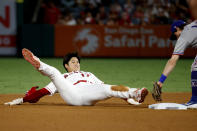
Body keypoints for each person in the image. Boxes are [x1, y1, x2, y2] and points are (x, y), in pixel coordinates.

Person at [5, 49, 148, 106]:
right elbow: (42, 93)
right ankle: (38, 62)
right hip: (73, 94)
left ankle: (136, 93)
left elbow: (109, 90)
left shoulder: (90, 74)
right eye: (73, 62)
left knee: (109, 87)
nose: (76, 63)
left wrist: (129, 100)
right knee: (54, 72)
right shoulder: (64, 76)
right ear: (66, 65)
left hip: (90, 94)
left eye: (77, 61)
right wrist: (22, 99)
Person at [156, 19, 197, 108]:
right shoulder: (192, 25)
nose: (177, 38)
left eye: (175, 34)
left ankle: (195, 100)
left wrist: (160, 81)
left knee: (195, 67)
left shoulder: (183, 36)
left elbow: (172, 60)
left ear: (177, 28)